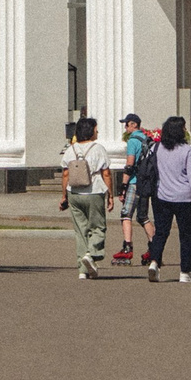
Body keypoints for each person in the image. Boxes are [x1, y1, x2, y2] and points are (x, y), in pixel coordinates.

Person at [145, 114, 191, 284]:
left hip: (162, 195)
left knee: (161, 232)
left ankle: (154, 262)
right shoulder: (186, 150)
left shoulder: (157, 148)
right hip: (184, 197)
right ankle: (185, 271)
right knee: (186, 235)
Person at [59, 117, 112, 278]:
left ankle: (83, 271)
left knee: (80, 231)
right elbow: (106, 173)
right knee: (98, 227)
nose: (97, 131)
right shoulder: (98, 149)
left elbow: (65, 174)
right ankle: (92, 254)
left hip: (74, 192)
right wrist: (110, 195)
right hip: (94, 191)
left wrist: (64, 196)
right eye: (96, 129)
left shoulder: (70, 150)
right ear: (90, 131)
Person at [111, 112, 152, 265]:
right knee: (143, 216)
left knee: (126, 214)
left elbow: (130, 165)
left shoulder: (133, 141)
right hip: (146, 183)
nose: (125, 128)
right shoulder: (148, 140)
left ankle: (127, 248)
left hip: (134, 182)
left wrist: (123, 186)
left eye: (127, 124)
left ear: (134, 125)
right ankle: (154, 247)